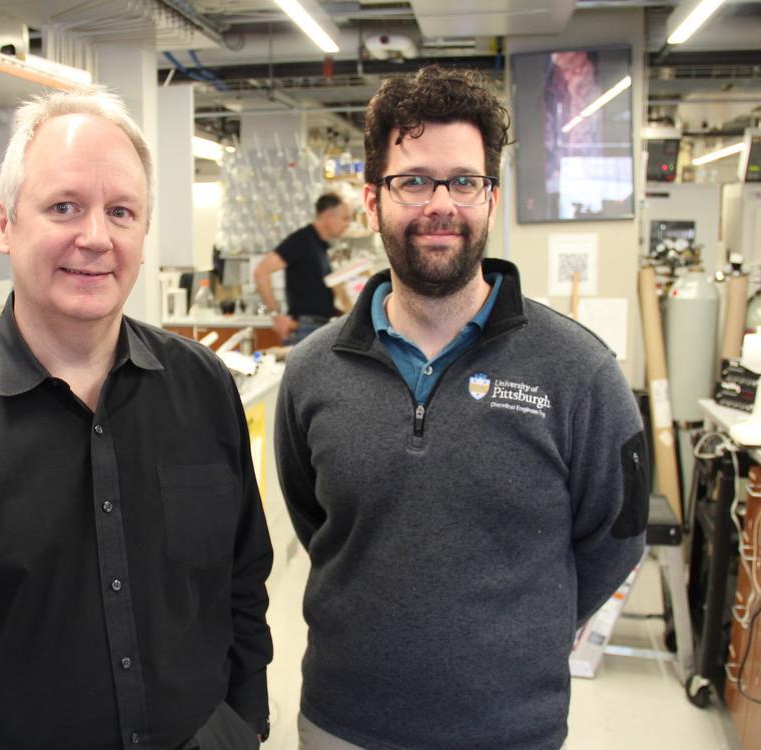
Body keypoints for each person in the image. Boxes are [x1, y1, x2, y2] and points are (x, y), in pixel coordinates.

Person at [0, 86, 273, 750]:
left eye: (121, 212)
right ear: (5, 224)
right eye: (64, 206)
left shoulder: (202, 387)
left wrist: (239, 727)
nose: (94, 237)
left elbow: (241, 581)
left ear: (143, 234)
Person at [275, 65, 649, 750]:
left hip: (512, 731)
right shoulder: (312, 371)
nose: (439, 203)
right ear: (371, 199)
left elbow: (616, 536)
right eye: (413, 180)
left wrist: (518, 637)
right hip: (343, 724)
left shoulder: (579, 370)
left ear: (491, 198)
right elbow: (319, 523)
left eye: (464, 181)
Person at [252, 193, 352, 344]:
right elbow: (261, 271)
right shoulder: (302, 240)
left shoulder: (321, 245)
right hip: (305, 328)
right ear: (327, 215)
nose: (348, 224)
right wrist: (276, 315)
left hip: (318, 326)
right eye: (345, 218)